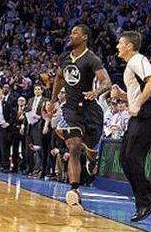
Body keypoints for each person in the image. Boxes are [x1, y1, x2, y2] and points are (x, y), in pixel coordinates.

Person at [46, 25, 111, 208]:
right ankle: (74, 189)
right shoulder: (65, 58)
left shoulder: (91, 58)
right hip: (71, 110)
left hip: (90, 110)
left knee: (89, 148)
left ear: (84, 37)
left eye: (75, 33)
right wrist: (52, 101)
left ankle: (91, 158)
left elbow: (107, 81)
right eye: (71, 32)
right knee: (74, 147)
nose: (71, 35)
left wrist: (96, 91)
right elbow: (59, 78)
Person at [112, 31, 151, 222]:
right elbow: (137, 92)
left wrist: (138, 103)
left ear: (129, 46)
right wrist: (122, 96)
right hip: (140, 113)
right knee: (125, 157)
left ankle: (146, 203)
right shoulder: (131, 65)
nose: (117, 46)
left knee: (132, 157)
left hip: (147, 113)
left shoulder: (138, 59)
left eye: (120, 43)